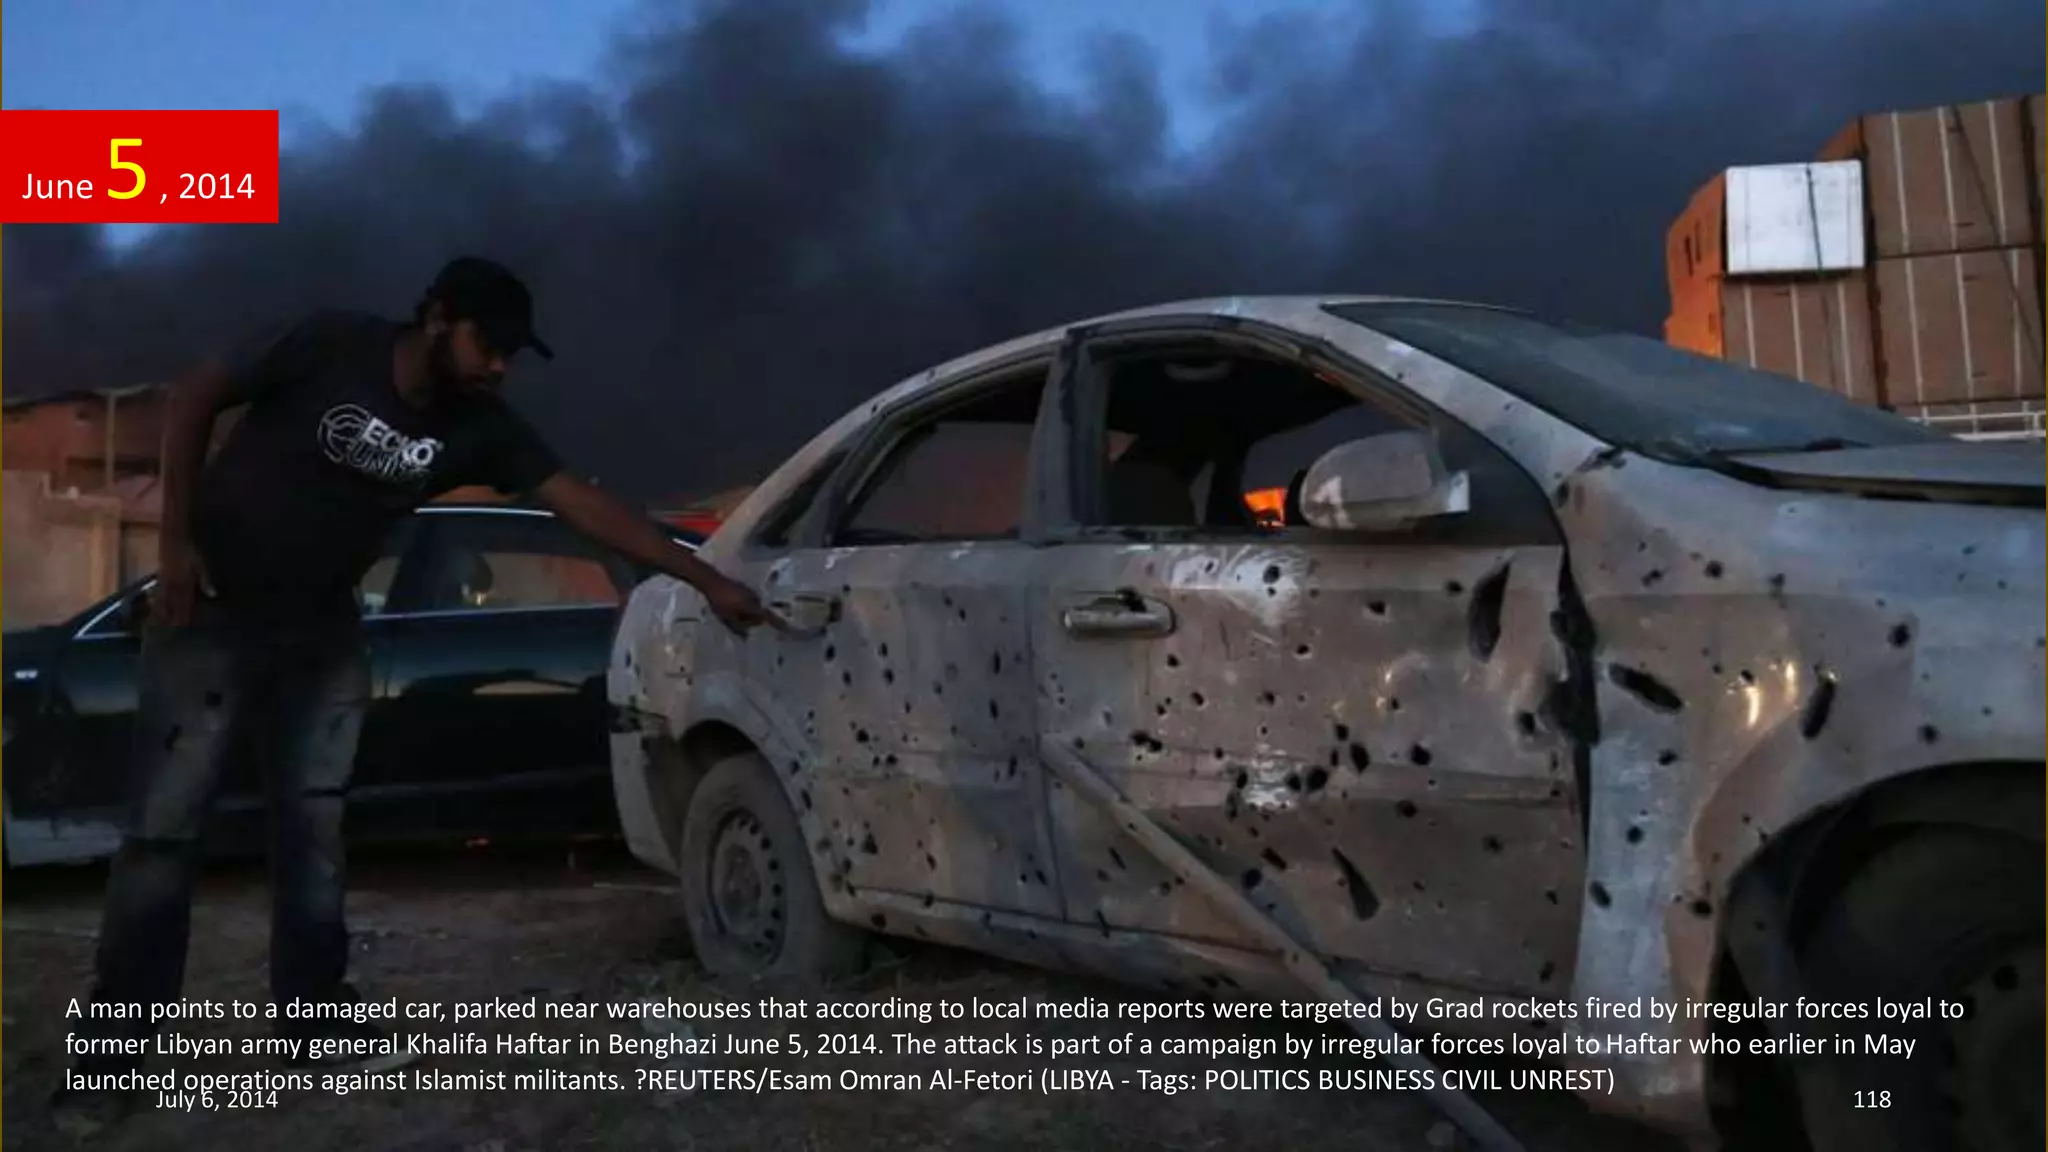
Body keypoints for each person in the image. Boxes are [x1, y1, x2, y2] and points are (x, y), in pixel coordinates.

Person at [50, 256, 772, 1135]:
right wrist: (173, 548)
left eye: (511, 353)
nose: (499, 365)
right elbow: (200, 390)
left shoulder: (480, 427)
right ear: (437, 317)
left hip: (321, 633)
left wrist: (702, 577)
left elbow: (584, 505)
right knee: (164, 834)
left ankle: (318, 1026)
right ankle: (113, 1062)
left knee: (313, 830)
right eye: (489, 343)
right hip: (211, 616)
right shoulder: (331, 343)